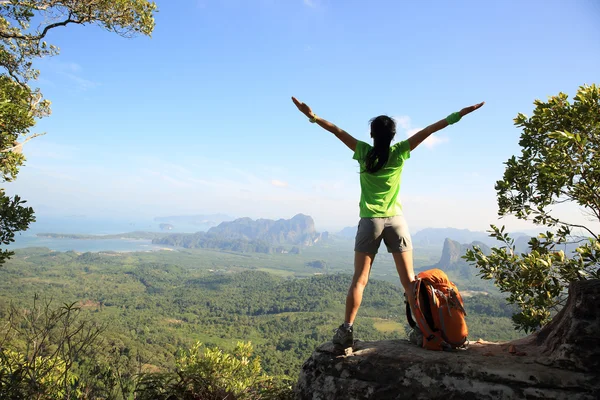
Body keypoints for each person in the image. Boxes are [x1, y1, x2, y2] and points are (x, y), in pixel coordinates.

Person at [291, 96, 484, 349]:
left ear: (372, 134)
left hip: (370, 221)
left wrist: (313, 116)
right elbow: (430, 129)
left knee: (359, 280)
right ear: (393, 136)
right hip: (397, 222)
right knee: (410, 282)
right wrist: (459, 114)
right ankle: (424, 332)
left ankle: (346, 331)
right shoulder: (401, 151)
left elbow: (337, 131)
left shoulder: (363, 151)